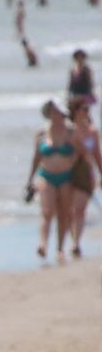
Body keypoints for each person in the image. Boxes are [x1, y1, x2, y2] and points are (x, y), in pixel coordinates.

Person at [27, 99, 81, 263]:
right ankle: (43, 245)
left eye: (58, 112)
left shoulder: (71, 132)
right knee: (46, 211)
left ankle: (59, 249)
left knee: (64, 213)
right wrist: (30, 179)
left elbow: (82, 153)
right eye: (53, 112)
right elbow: (36, 158)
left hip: (66, 176)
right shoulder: (41, 134)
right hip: (46, 175)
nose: (56, 115)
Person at [70, 97, 99, 257]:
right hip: (69, 173)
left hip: (86, 173)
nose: (87, 112)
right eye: (84, 109)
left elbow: (97, 155)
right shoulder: (69, 130)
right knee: (70, 210)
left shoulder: (93, 131)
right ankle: (71, 239)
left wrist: (100, 174)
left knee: (80, 209)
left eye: (88, 109)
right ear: (75, 110)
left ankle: (76, 243)